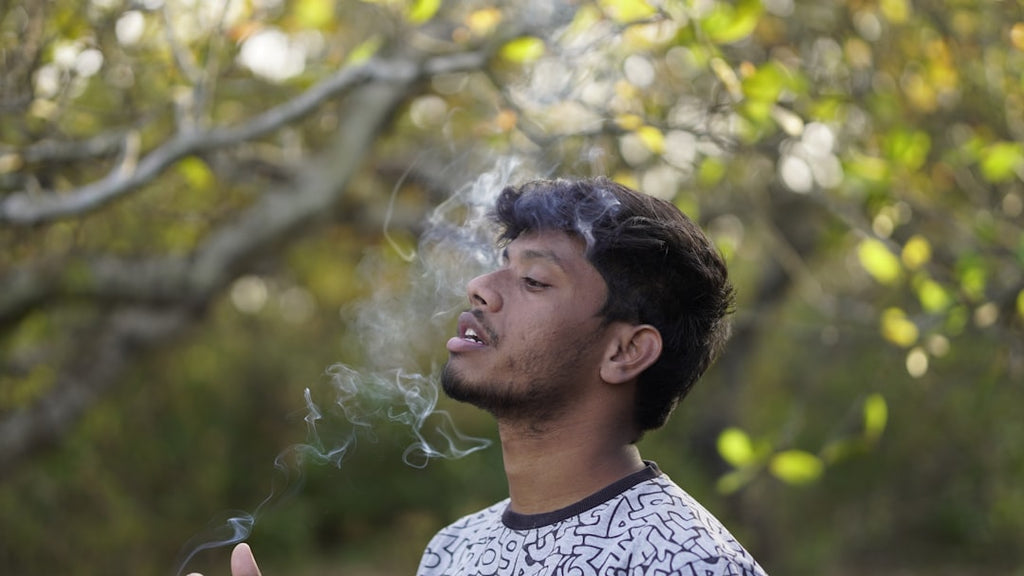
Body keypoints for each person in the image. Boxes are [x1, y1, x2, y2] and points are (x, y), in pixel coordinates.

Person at [195, 177, 766, 576]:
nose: (481, 288)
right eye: (501, 264)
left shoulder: (689, 564)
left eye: (535, 281)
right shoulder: (453, 550)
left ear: (625, 351)